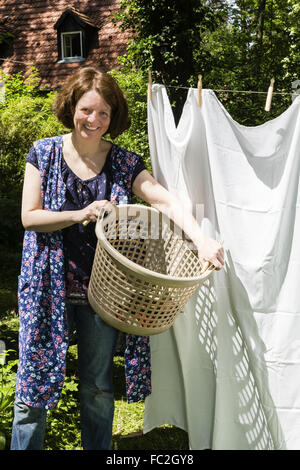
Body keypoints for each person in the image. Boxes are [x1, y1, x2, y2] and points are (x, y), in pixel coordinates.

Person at [11, 66, 224, 450]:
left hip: (102, 293)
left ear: (114, 116)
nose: (94, 120)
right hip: (47, 286)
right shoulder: (43, 152)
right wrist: (79, 213)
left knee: (96, 387)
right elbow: (30, 217)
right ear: (71, 106)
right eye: (87, 110)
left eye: (103, 113)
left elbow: (163, 199)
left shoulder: (124, 162)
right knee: (33, 386)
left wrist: (202, 240)